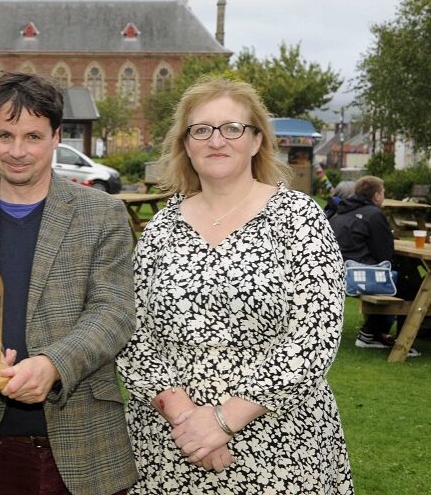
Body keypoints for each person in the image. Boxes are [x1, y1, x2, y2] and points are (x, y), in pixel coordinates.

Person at [117, 77, 353, 494]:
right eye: (201, 130)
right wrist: (186, 418)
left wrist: (224, 420)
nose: (216, 141)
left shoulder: (298, 219)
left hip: (279, 444)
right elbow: (131, 334)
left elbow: (313, 337)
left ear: (257, 139)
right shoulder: (161, 230)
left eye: (232, 128)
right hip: (172, 446)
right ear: (186, 144)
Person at [0, 71, 138, 495]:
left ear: (56, 137)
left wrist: (54, 363)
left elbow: (113, 312)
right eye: (5, 136)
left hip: (85, 438)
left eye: (33, 137)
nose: (17, 151)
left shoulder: (101, 214)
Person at [329, 175, 420, 357]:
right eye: (383, 193)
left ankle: (372, 333)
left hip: (335, 272)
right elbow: (384, 255)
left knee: (401, 277)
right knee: (410, 285)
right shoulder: (374, 214)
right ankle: (379, 336)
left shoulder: (341, 210)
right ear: (377, 196)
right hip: (356, 275)